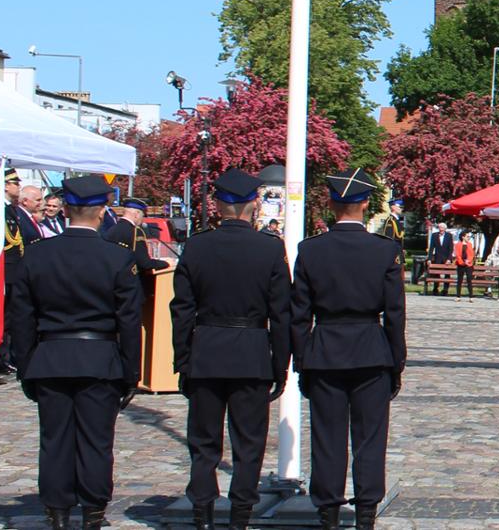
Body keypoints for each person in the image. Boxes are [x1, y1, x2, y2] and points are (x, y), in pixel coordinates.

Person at [5, 175, 142, 530]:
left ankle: (58, 512)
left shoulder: (37, 255)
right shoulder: (116, 258)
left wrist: (26, 364)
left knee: (55, 441)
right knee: (97, 441)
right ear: (101, 211)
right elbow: (129, 322)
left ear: (66, 209)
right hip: (100, 359)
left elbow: (21, 317)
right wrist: (131, 372)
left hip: (50, 357)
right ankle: (93, 513)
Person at [169, 169, 292, 530]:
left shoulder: (197, 245)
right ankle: (240, 515)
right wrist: (280, 364)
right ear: (254, 204)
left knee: (204, 443)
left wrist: (183, 358)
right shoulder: (269, 247)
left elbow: (181, 309)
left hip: (206, 350)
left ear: (218, 204)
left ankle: (203, 511)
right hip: (252, 353)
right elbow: (280, 313)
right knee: (249, 444)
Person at [291, 168, 407, 530]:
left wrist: (302, 361)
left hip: (325, 349)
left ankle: (327, 512)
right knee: (370, 438)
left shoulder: (310, 250)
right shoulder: (384, 250)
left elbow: (298, 315)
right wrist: (396, 362)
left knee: (327, 437)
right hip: (371, 350)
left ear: (330, 202)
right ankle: (366, 513)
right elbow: (395, 314)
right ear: (366, 203)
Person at [104, 196, 169, 281]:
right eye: (142, 215)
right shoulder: (135, 231)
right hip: (129, 280)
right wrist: (166, 263)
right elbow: (144, 263)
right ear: (136, 214)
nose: (142, 219)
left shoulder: (112, 230)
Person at [452, 228, 478, 299]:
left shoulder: (469, 244)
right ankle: (458, 296)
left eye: (469, 237)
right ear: (463, 237)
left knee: (469, 279)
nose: (468, 238)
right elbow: (457, 255)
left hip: (468, 265)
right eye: (467, 237)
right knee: (459, 280)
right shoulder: (458, 244)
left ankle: (471, 296)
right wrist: (462, 262)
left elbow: (471, 254)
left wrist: (468, 261)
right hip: (461, 264)